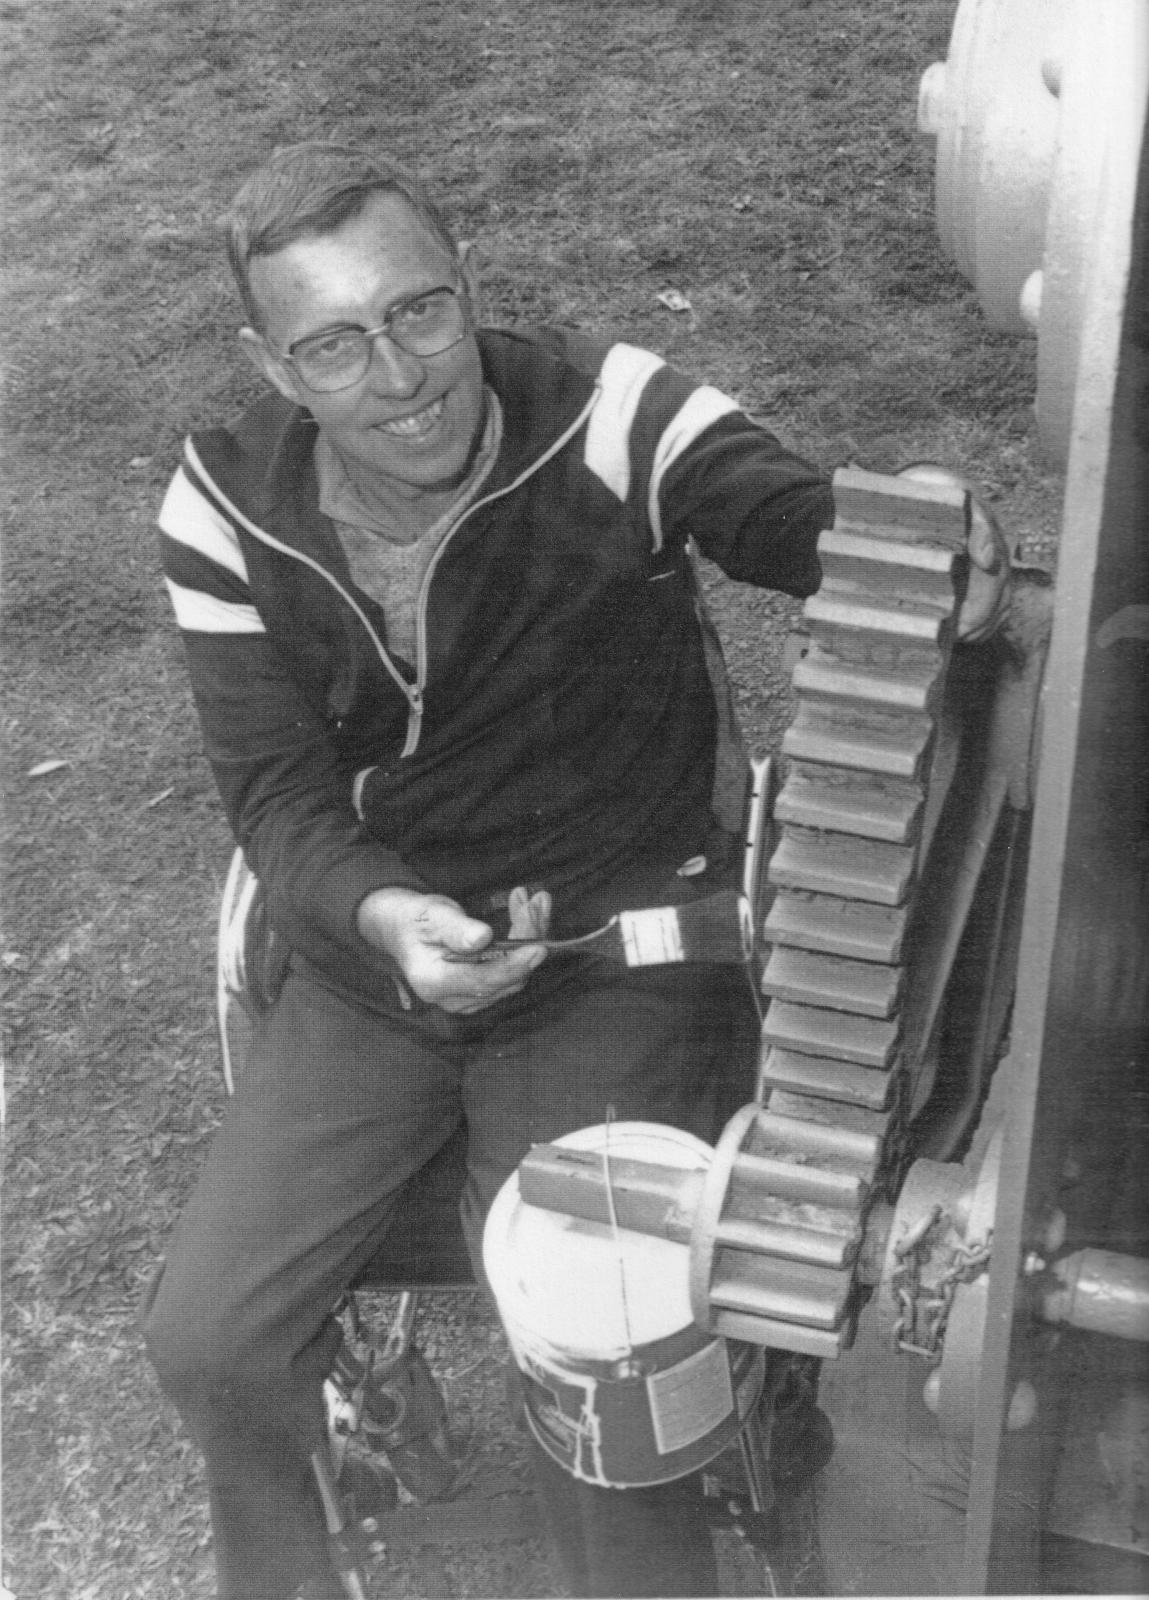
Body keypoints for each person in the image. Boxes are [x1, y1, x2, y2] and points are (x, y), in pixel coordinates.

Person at [141, 141, 1010, 1600]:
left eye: (419, 312)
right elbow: (278, 799)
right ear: (275, 367)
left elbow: (780, 512)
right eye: (336, 346)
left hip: (619, 954)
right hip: (378, 967)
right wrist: (384, 916)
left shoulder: (614, 414)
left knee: (593, 1377)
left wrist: (909, 521)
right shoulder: (222, 511)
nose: (402, 376)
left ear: (466, 282)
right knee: (209, 1343)